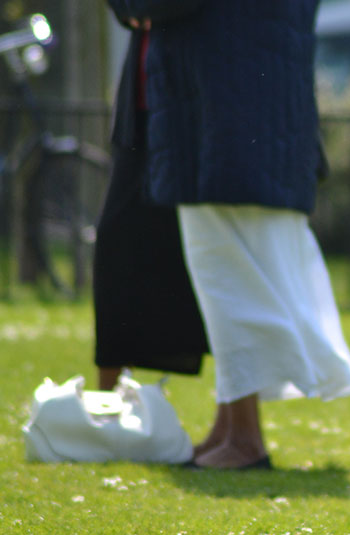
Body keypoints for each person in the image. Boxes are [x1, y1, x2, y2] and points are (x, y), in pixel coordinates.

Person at [107, 0, 350, 470]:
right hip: (249, 110)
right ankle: (229, 427)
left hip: (222, 112)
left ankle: (244, 438)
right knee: (230, 277)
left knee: (231, 281)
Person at [92, 17, 209, 391]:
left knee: (216, 261)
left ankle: (237, 418)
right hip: (142, 111)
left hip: (195, 109)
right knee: (114, 243)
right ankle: (107, 399)